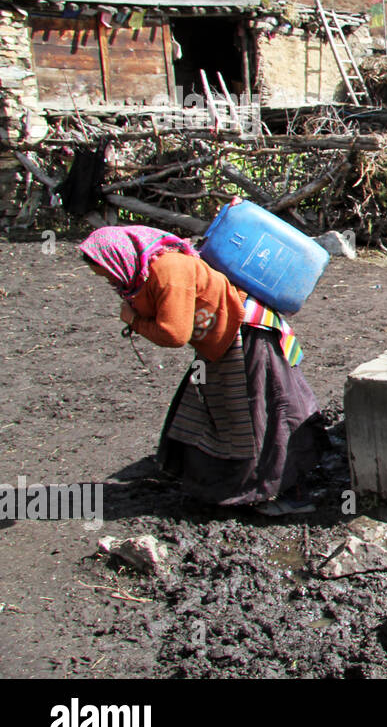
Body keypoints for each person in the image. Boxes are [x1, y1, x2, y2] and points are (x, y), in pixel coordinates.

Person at [79, 208, 327, 515]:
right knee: (234, 411)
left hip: (246, 336)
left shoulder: (169, 271)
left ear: (120, 259)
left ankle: (279, 493)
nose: (111, 284)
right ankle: (243, 486)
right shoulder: (150, 267)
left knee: (261, 415)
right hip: (224, 337)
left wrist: (135, 321)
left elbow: (174, 334)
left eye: (108, 275)